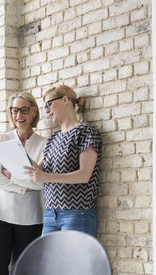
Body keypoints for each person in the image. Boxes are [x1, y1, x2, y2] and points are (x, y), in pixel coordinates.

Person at [24, 84, 102, 237]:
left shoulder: (86, 132)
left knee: (73, 262)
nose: (46, 110)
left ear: (65, 100)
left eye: (49, 104)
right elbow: (40, 171)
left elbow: (84, 175)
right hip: (50, 214)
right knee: (50, 261)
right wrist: (20, 155)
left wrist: (45, 177)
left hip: (77, 213)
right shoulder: (53, 138)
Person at [0, 92, 46, 275]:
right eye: (14, 110)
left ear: (34, 112)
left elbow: (42, 182)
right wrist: (24, 185)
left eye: (24, 110)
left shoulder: (45, 144)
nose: (19, 115)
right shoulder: (1, 139)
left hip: (30, 218)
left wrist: (11, 175)